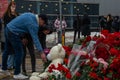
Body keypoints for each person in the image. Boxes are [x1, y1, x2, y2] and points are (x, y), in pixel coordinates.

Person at [1, 13, 47, 79]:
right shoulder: (33, 24)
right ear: (41, 19)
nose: (42, 25)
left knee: (7, 50)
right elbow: (35, 39)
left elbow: (21, 23)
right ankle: (17, 73)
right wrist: (41, 52)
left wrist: (22, 37)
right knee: (20, 52)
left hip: (8, 28)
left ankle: (4, 69)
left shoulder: (31, 15)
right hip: (14, 33)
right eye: (43, 23)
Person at [1, 1, 19, 70]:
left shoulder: (17, 14)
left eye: (14, 6)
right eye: (12, 6)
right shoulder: (6, 15)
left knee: (15, 50)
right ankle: (8, 65)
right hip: (9, 33)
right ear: (9, 6)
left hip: (16, 34)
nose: (13, 8)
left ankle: (14, 65)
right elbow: (6, 25)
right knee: (9, 50)